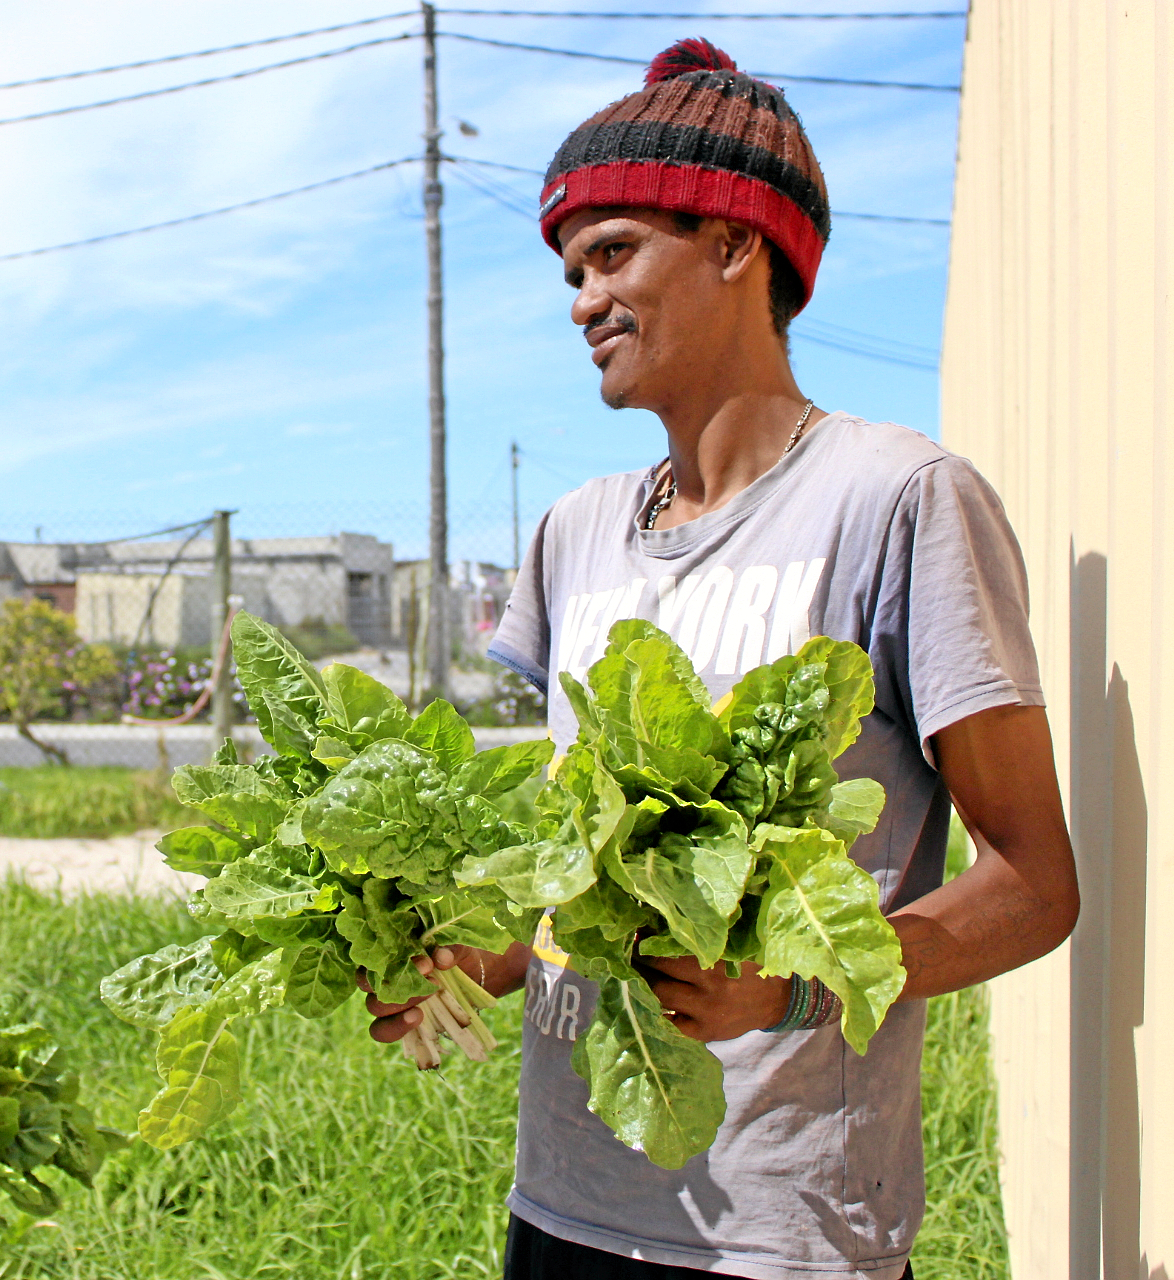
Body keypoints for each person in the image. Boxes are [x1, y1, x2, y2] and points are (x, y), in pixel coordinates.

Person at [365, 38, 1079, 1280]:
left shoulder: (902, 499)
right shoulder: (577, 530)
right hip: (567, 1199)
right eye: (571, 267)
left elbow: (1034, 882)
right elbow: (569, 876)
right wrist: (462, 962)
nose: (580, 298)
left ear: (740, 244)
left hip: (786, 1230)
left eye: (613, 253)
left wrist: (793, 988)